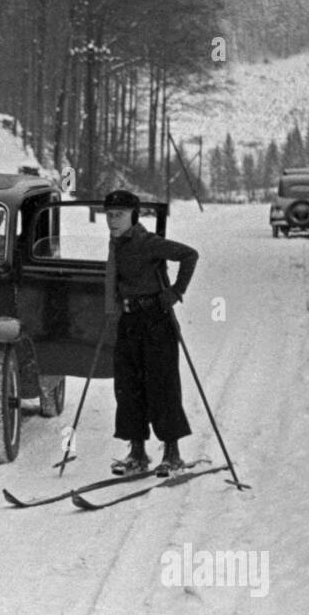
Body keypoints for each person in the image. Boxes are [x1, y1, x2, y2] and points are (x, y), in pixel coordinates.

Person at [103, 189, 198, 477]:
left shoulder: (146, 242)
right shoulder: (116, 243)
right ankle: (137, 453)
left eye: (119, 215)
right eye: (109, 215)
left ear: (133, 215)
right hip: (130, 321)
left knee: (162, 385)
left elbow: (189, 255)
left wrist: (175, 292)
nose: (112, 220)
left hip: (156, 321)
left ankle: (172, 454)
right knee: (128, 387)